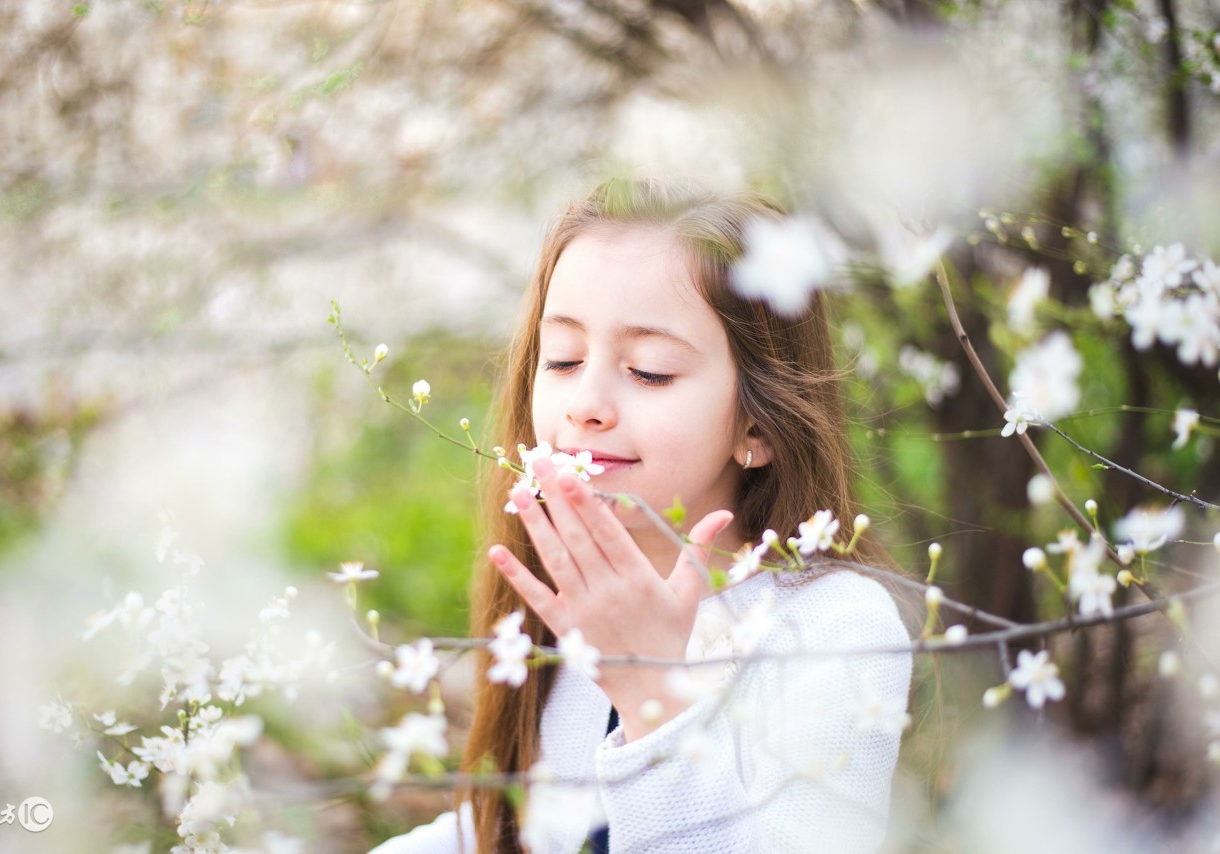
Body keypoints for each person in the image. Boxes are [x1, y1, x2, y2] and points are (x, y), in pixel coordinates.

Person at [372, 178, 911, 853]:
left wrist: (650, 694)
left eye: (650, 371)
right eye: (563, 359)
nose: (586, 404)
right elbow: (512, 833)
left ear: (759, 424)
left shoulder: (834, 627)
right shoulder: (561, 596)